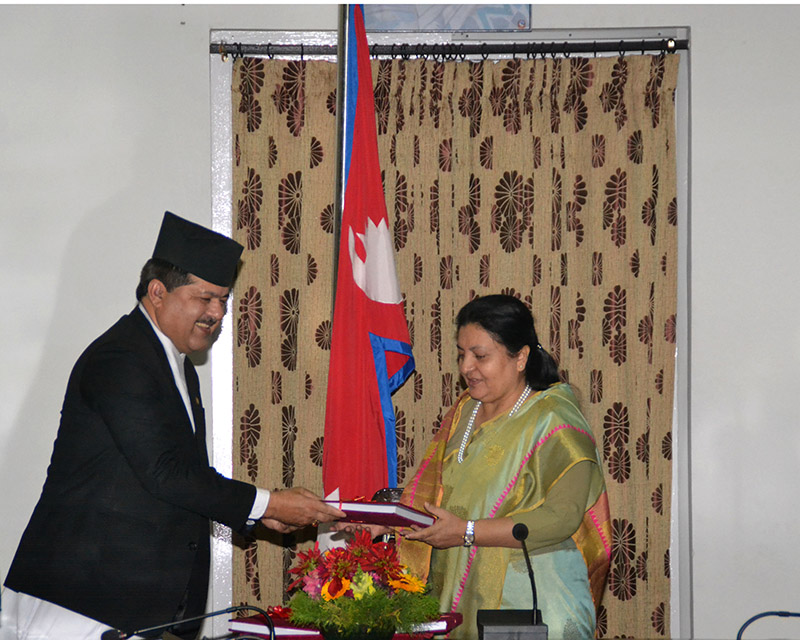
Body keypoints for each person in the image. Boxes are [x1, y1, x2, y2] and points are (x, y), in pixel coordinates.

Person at [3, 211, 345, 640]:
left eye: (223, 300)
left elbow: (186, 479)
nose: (217, 313)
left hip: (129, 610)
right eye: (205, 298)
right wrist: (269, 504)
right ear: (158, 292)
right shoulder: (122, 358)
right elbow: (165, 472)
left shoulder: (177, 366)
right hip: (80, 601)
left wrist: (259, 515)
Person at [365, 294, 611, 639]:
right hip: (460, 598)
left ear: (521, 357)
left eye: (480, 356)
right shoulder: (464, 411)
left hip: (534, 606)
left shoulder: (555, 420)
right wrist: (394, 521)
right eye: (461, 354)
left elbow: (561, 518)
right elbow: (446, 499)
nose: (466, 367)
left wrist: (468, 532)